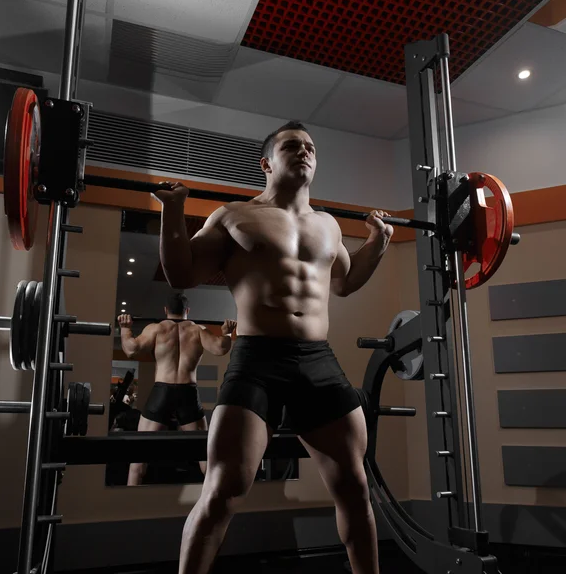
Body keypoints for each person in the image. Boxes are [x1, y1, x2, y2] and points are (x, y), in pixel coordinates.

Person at [154, 121, 393, 574]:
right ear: (266, 163)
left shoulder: (328, 225)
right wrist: (171, 211)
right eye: (291, 146)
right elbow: (181, 274)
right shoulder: (234, 216)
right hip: (257, 360)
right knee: (223, 488)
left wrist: (378, 244)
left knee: (355, 488)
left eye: (310, 147)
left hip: (317, 360)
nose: (304, 152)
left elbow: (345, 282)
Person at [117, 292, 237, 486]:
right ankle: (213, 504)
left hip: (161, 392)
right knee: (205, 458)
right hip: (188, 393)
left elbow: (131, 349)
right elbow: (220, 348)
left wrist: (125, 329)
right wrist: (227, 332)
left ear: (166, 310)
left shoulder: (156, 329)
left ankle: (129, 506)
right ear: (187, 311)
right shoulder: (198, 330)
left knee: (138, 459)